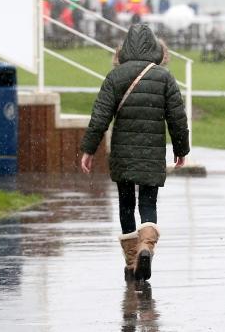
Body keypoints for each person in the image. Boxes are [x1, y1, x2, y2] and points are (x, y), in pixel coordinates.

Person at [79, 23, 190, 283]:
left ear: (123, 50)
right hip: (151, 153)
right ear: (156, 50)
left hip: (122, 152)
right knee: (148, 203)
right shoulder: (163, 77)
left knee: (126, 203)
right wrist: (180, 148)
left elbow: (100, 116)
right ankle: (146, 247)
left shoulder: (115, 77)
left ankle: (131, 261)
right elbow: (177, 117)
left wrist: (89, 148)